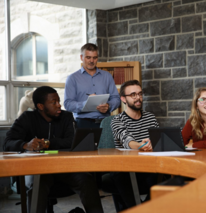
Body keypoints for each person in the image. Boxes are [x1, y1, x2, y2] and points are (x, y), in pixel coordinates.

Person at [3, 86, 103, 213]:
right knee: (37, 185)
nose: (59, 105)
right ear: (40, 106)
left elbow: (72, 140)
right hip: (38, 170)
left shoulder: (66, 116)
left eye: (59, 101)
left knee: (87, 179)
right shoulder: (27, 118)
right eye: (53, 102)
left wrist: (48, 143)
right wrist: (25, 145)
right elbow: (7, 143)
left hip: (64, 168)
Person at [101, 80, 158, 212]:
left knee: (166, 174)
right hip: (126, 168)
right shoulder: (117, 120)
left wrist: (152, 143)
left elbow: (156, 140)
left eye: (139, 94)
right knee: (118, 174)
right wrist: (141, 145)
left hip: (148, 166)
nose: (138, 97)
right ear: (123, 99)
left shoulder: (150, 117)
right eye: (133, 95)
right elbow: (127, 140)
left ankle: (143, 208)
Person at [64, 43, 120, 128]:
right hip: (82, 124)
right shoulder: (72, 78)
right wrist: (85, 104)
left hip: (105, 123)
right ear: (81, 57)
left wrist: (108, 106)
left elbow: (116, 99)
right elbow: (67, 104)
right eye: (88, 57)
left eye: (94, 58)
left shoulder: (107, 76)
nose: (91, 61)